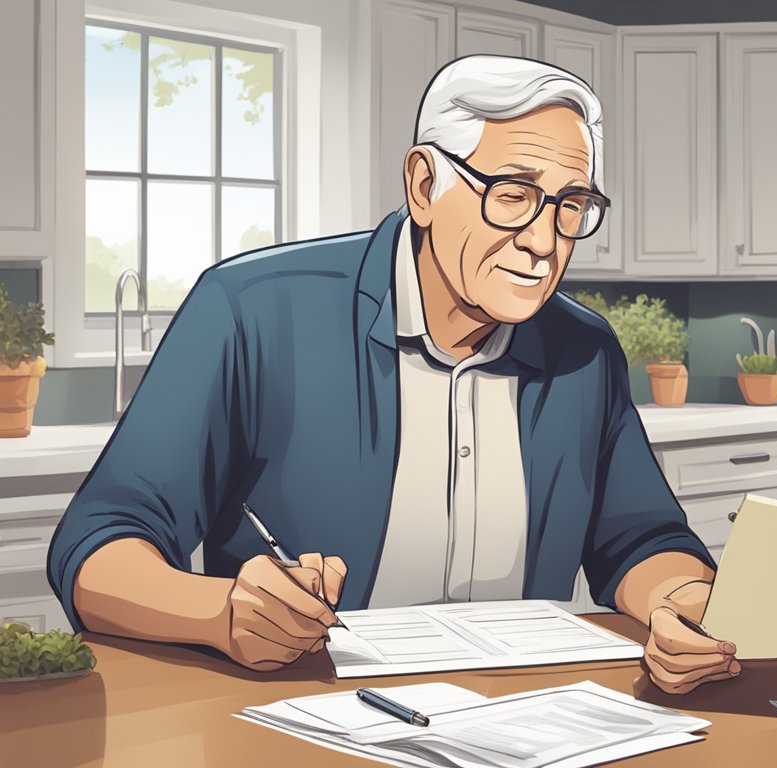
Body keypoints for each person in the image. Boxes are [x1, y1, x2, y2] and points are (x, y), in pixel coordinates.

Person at [47, 55, 737, 694]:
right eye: (513, 194)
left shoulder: (583, 351)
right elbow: (97, 550)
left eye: (571, 205)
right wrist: (220, 610)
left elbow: (643, 541)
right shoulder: (253, 311)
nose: (544, 239)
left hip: (526, 719)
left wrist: (687, 607)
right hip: (303, 715)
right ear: (423, 184)